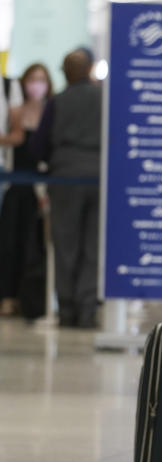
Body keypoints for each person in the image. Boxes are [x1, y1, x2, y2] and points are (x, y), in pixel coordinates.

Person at [30, 50, 102, 328]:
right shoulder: (104, 99)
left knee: (65, 244)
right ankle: (87, 309)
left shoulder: (57, 102)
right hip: (98, 178)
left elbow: (39, 144)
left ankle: (68, 309)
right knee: (93, 245)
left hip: (65, 179)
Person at [0, 63, 51, 317]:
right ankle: (8, 295)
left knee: (36, 244)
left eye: (41, 79)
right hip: (15, 185)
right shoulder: (16, 112)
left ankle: (29, 297)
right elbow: (14, 138)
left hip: (39, 189)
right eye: (32, 79)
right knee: (10, 242)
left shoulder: (51, 111)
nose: (36, 84)